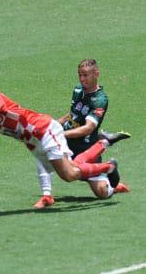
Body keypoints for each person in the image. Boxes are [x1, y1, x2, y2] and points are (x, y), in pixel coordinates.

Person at [0, 76, 126, 205]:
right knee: (70, 168)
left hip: (43, 130)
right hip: (33, 140)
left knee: (69, 174)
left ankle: (108, 167)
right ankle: (102, 144)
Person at [38, 59, 130, 209]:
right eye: (80, 75)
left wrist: (63, 134)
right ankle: (46, 195)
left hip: (85, 147)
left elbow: (88, 128)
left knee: (102, 192)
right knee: (45, 153)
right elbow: (72, 114)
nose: (82, 79)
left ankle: (109, 175)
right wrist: (54, 125)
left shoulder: (100, 100)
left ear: (96, 74)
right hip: (68, 143)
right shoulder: (77, 90)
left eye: (85, 75)